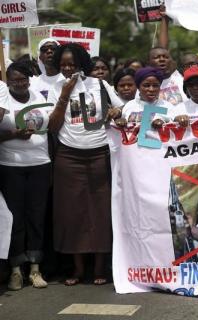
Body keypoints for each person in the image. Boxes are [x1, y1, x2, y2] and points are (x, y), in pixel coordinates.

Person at [47, 43, 123, 286]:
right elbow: (52, 126)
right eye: (63, 65)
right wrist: (64, 95)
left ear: (81, 63)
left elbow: (121, 109)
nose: (67, 69)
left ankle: (100, 267)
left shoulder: (99, 84)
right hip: (69, 156)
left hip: (100, 154)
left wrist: (115, 113)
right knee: (72, 213)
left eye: (71, 64)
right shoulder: (56, 87)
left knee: (100, 211)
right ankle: (78, 269)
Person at [0, 62, 52, 290]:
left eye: (23, 79)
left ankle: (35, 268)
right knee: (15, 218)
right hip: (10, 166)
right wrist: (14, 135)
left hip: (40, 164)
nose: (20, 84)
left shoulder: (39, 97)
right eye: (15, 80)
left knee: (36, 216)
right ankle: (15, 270)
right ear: (8, 81)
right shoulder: (3, 101)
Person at [113, 67, 173, 131]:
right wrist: (120, 121)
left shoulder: (167, 107)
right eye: (146, 85)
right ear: (138, 87)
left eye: (155, 86)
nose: (151, 89)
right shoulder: (129, 105)